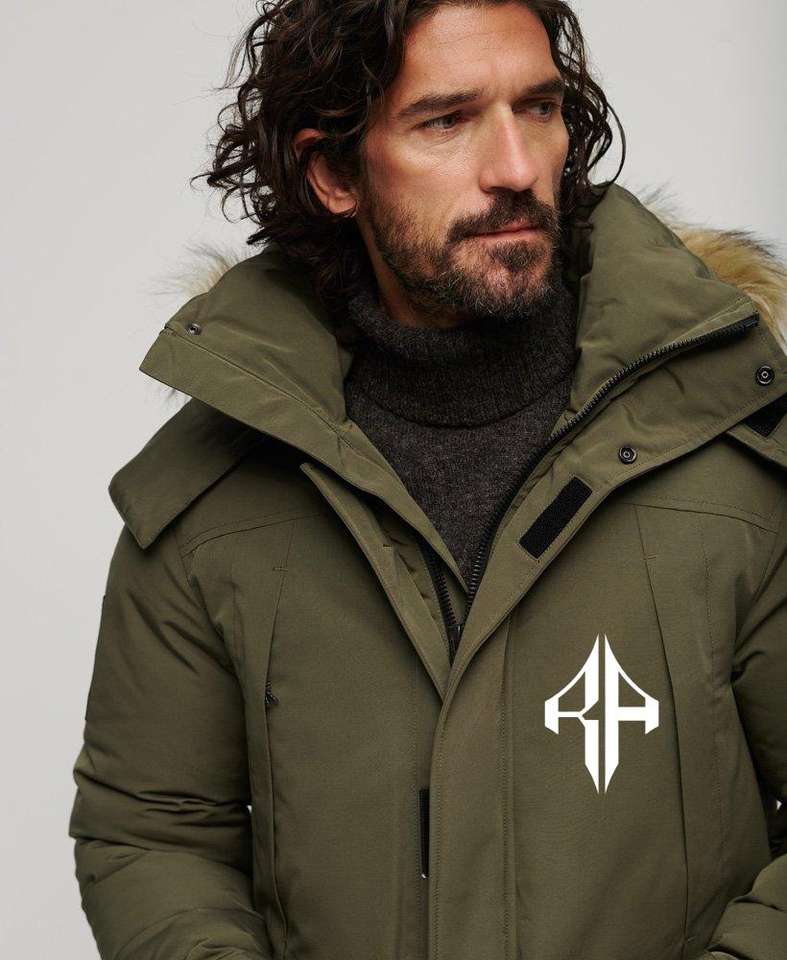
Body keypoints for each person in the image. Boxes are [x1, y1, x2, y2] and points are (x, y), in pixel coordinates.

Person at [68, 2, 787, 959]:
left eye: (538, 108)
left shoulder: (734, 436)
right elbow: (152, 836)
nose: (516, 167)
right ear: (333, 174)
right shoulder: (212, 494)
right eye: (445, 121)